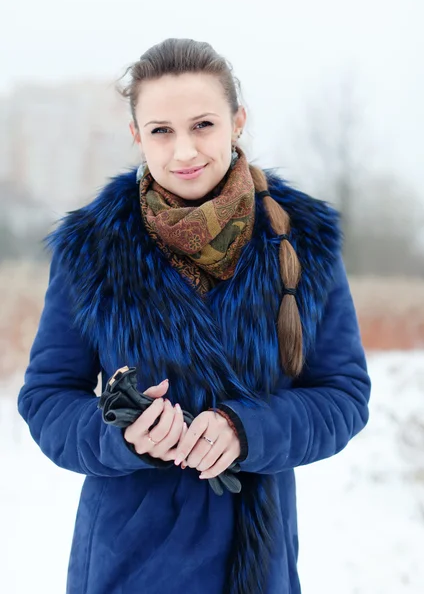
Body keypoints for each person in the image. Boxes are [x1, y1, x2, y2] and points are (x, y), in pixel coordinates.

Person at [18, 38, 371, 594]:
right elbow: (46, 399)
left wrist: (246, 428)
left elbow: (343, 397)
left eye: (202, 124)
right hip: (126, 565)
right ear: (138, 136)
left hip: (256, 565)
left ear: (237, 122)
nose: (184, 151)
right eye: (161, 130)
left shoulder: (304, 242)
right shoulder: (90, 248)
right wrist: (123, 436)